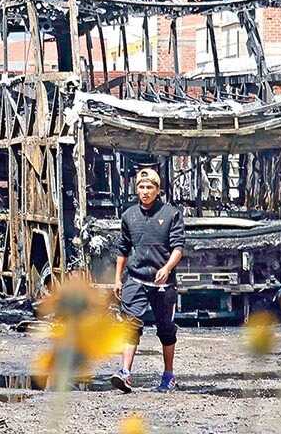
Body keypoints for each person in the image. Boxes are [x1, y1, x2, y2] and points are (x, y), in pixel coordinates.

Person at [110, 168, 185, 393]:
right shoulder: (129, 216)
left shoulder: (171, 214)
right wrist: (117, 279)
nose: (145, 191)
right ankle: (125, 373)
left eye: (150, 187)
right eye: (141, 187)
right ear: (136, 190)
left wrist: (167, 267)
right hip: (136, 278)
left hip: (163, 282)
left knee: (165, 329)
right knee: (130, 325)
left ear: (158, 190)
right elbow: (123, 250)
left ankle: (169, 375)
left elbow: (178, 247)